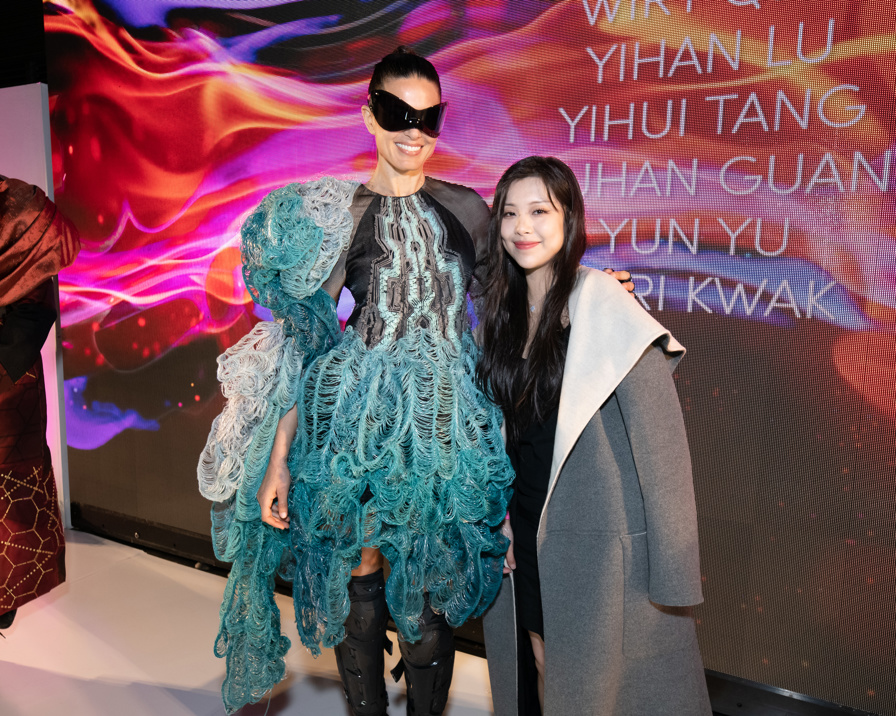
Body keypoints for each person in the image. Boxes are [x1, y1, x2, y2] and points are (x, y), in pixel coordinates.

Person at [199, 47, 519, 716]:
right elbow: (308, 345)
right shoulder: (339, 217)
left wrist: (590, 287)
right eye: (399, 114)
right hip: (355, 426)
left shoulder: (467, 209)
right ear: (370, 116)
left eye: (429, 117)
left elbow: (511, 311)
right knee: (360, 572)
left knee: (427, 595)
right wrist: (279, 460)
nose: (414, 132)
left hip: (443, 428)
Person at [477, 157, 711, 716]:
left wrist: (675, 569)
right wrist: (495, 516)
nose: (522, 227)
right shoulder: (500, 315)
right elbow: (496, 434)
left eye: (539, 211)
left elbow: (662, 447)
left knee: (587, 688)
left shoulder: (604, 301)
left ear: (570, 218)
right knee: (539, 664)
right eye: (509, 213)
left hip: (593, 541)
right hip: (524, 528)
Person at [0, 175, 80, 631]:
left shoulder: (21, 205)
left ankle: (4, 597)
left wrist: (5, 364)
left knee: (9, 486)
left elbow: (37, 299)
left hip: (7, 377)